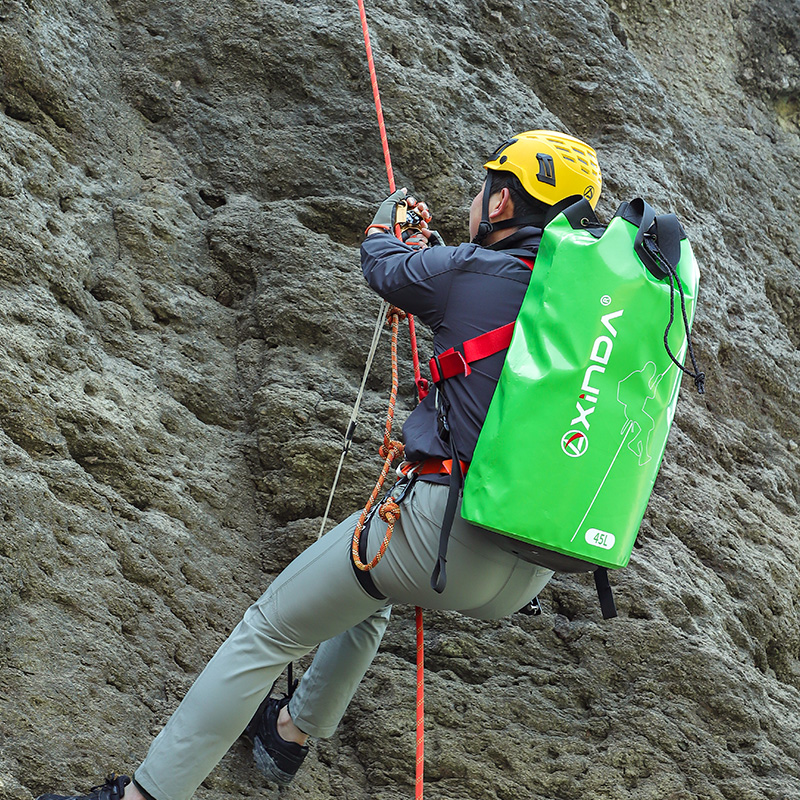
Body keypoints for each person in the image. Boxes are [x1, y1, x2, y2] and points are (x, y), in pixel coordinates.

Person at [37, 130, 603, 800]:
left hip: (439, 536)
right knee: (366, 588)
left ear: (503, 202)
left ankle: (142, 797)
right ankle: (289, 733)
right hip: (529, 561)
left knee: (267, 632)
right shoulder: (589, 306)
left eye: (484, 188)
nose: (475, 200)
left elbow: (383, 265)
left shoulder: (475, 271)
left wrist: (388, 225)